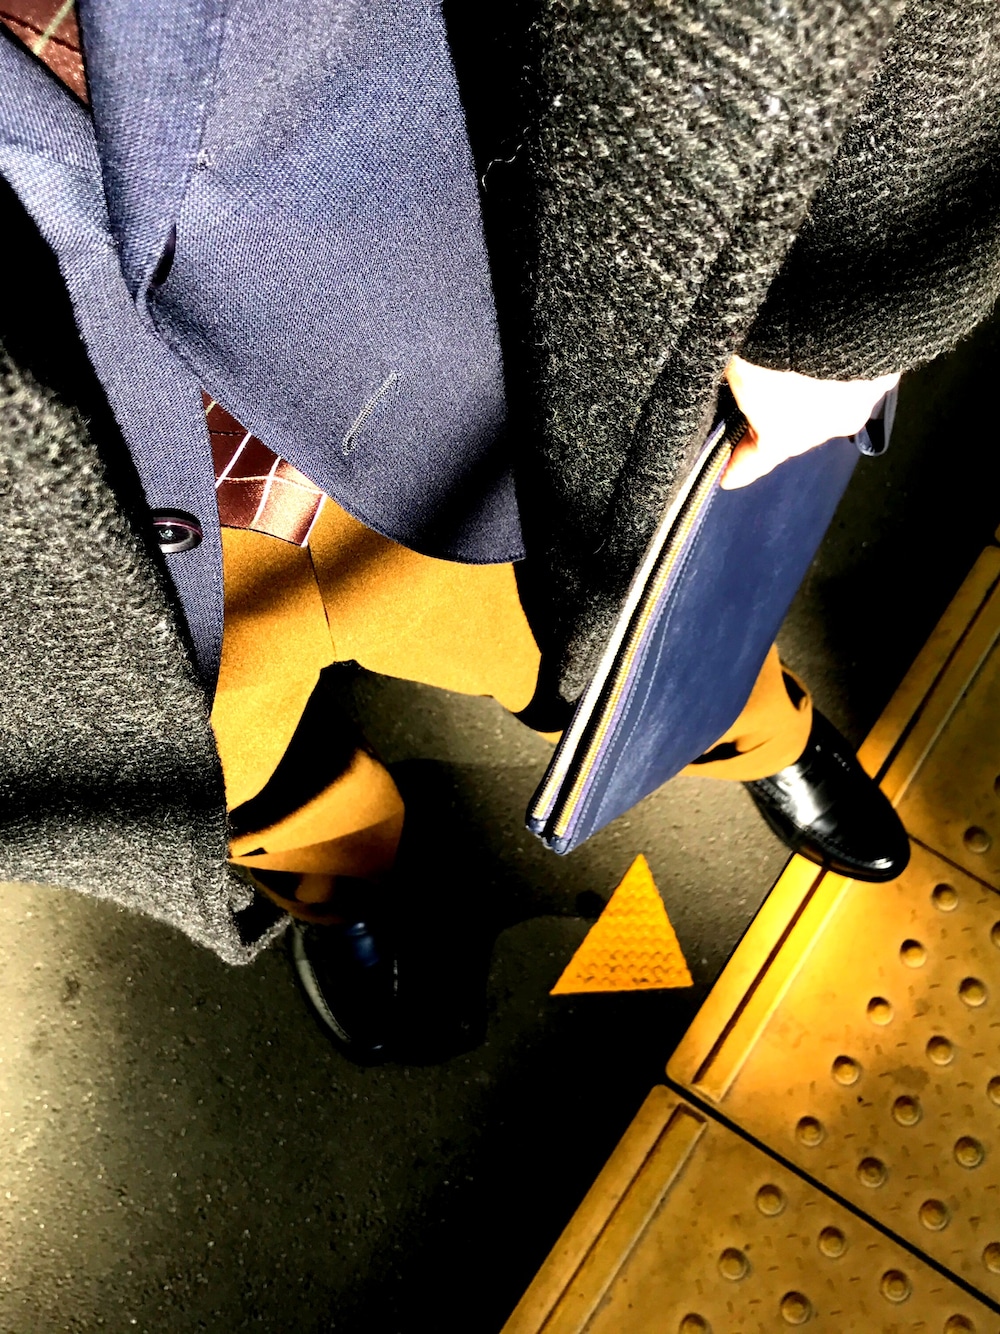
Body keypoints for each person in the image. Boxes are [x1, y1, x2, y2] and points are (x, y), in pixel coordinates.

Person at [1, 0, 995, 1060]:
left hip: (458, 353)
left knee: (647, 639)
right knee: (233, 774)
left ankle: (755, 735)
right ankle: (335, 877)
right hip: (87, 543)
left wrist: (863, 285)